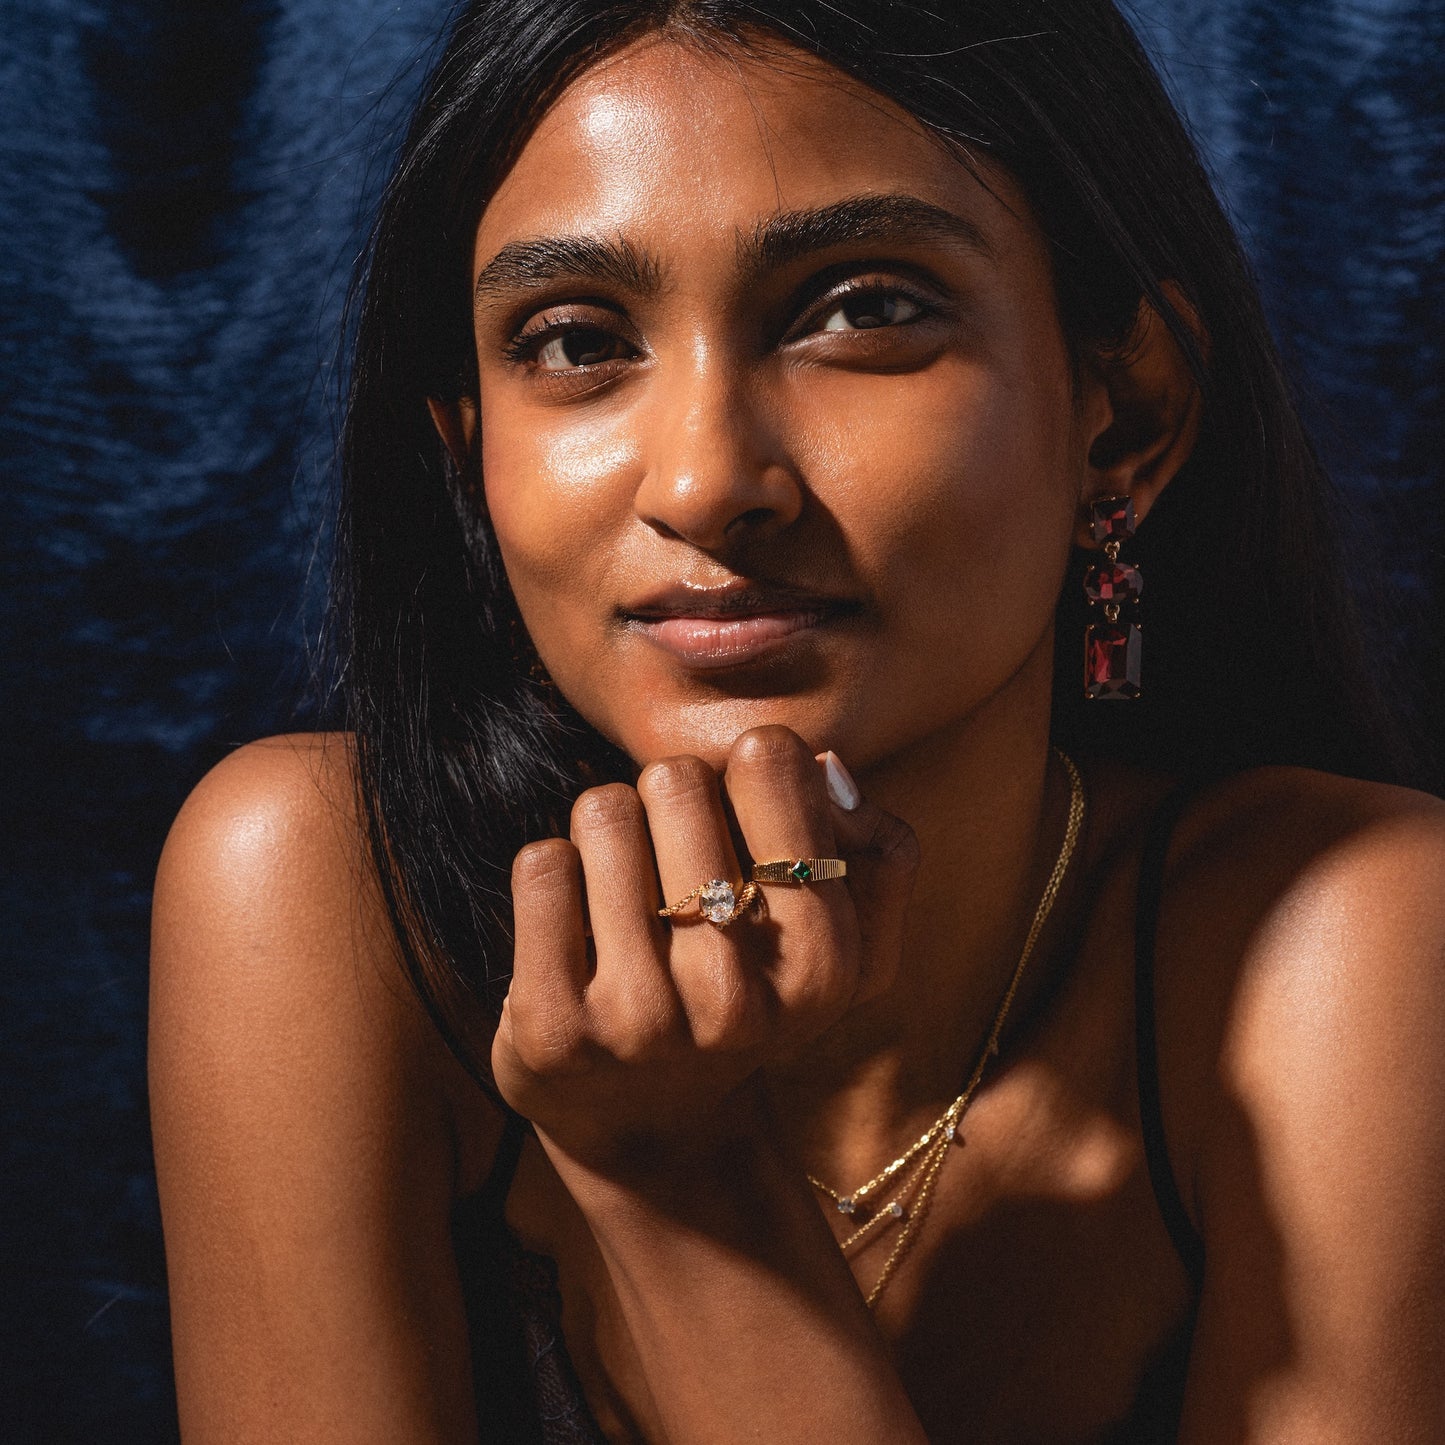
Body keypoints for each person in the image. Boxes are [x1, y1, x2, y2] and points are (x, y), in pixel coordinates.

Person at [147, 1, 1445, 1440]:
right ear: (469, 456)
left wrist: (682, 1184)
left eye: (863, 308)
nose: (705, 483)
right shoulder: (323, 898)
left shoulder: (1349, 944)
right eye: (576, 340)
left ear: (1123, 411)